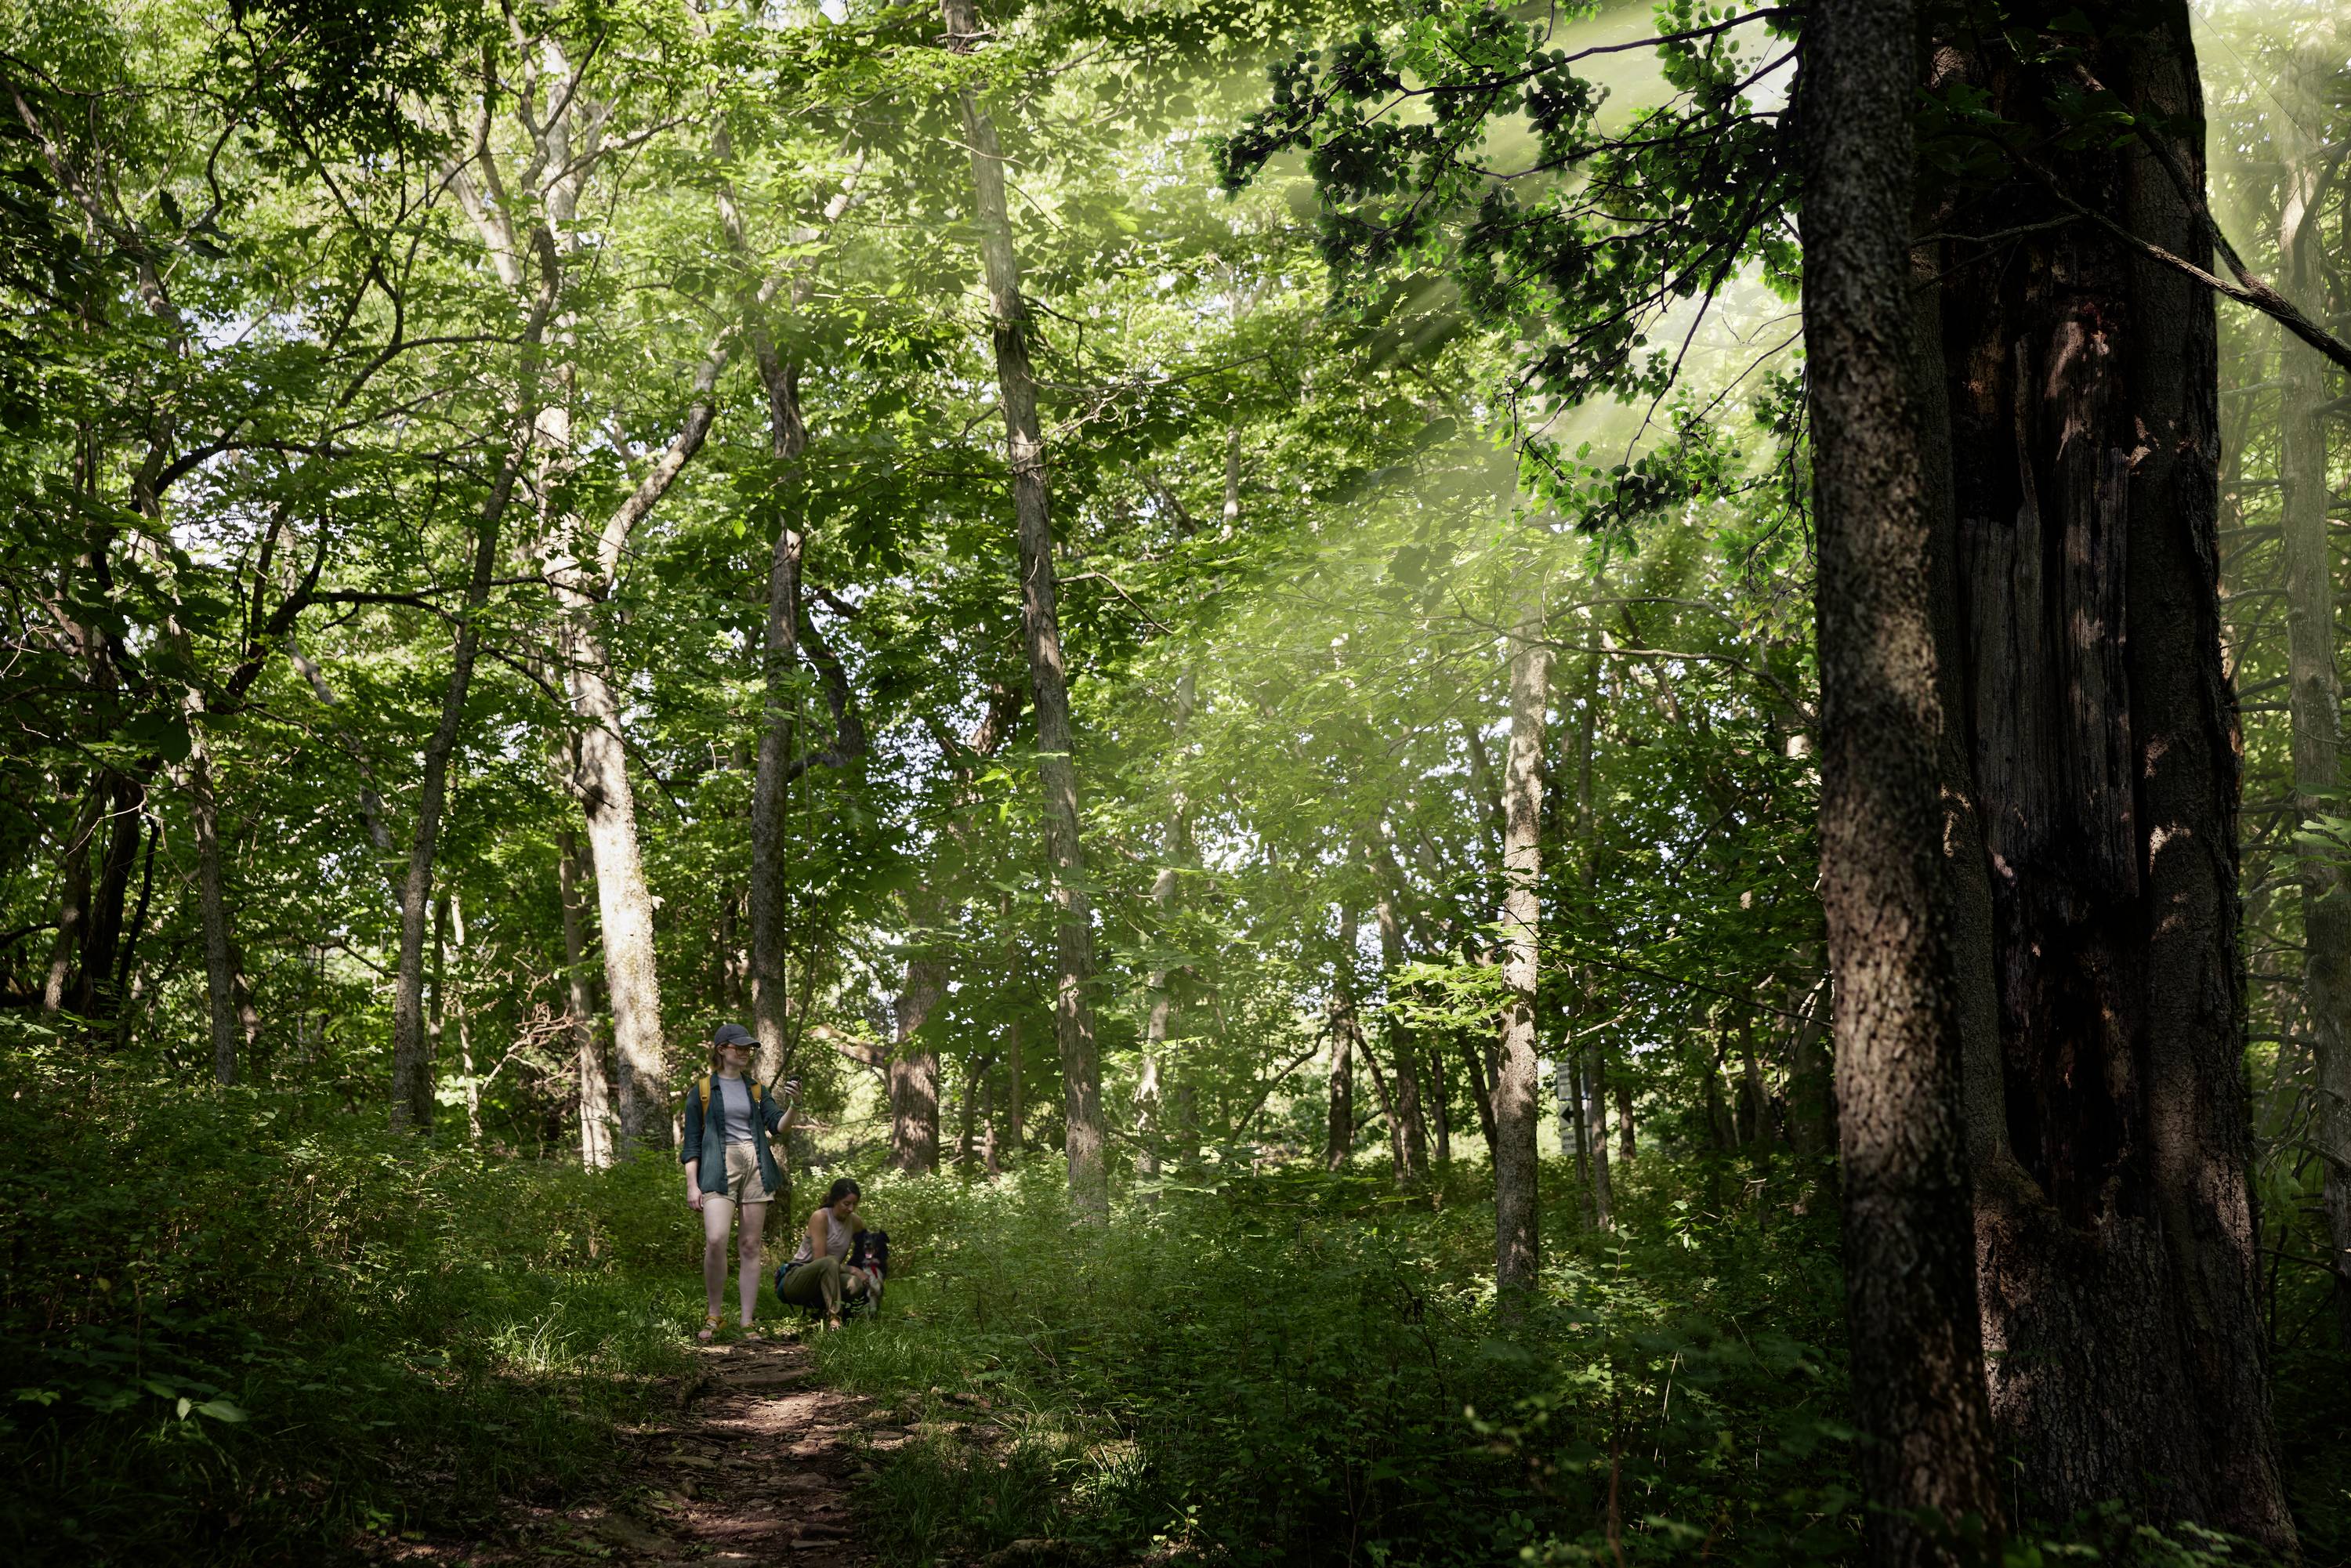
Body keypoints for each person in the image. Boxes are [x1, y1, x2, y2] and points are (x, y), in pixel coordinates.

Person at [680, 1023, 799, 1343]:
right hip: (718, 1166)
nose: (746, 1052)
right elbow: (691, 1143)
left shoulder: (757, 1089)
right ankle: (715, 1315)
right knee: (716, 1239)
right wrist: (692, 1185)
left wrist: (794, 1105)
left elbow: (779, 1126)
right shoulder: (702, 1090)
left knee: (750, 1245)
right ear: (722, 1050)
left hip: (756, 1165)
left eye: (749, 1048)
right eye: (739, 1047)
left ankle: (747, 1321)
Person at [777, 1177, 876, 1330]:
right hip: (797, 1279)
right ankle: (835, 1319)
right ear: (836, 1200)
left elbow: (867, 1248)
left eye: (854, 1204)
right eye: (846, 1203)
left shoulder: (855, 1222)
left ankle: (838, 1315)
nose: (851, 1209)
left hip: (829, 1280)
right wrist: (853, 1270)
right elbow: (821, 1261)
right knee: (830, 1262)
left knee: (855, 1284)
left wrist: (868, 1270)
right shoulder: (821, 1217)